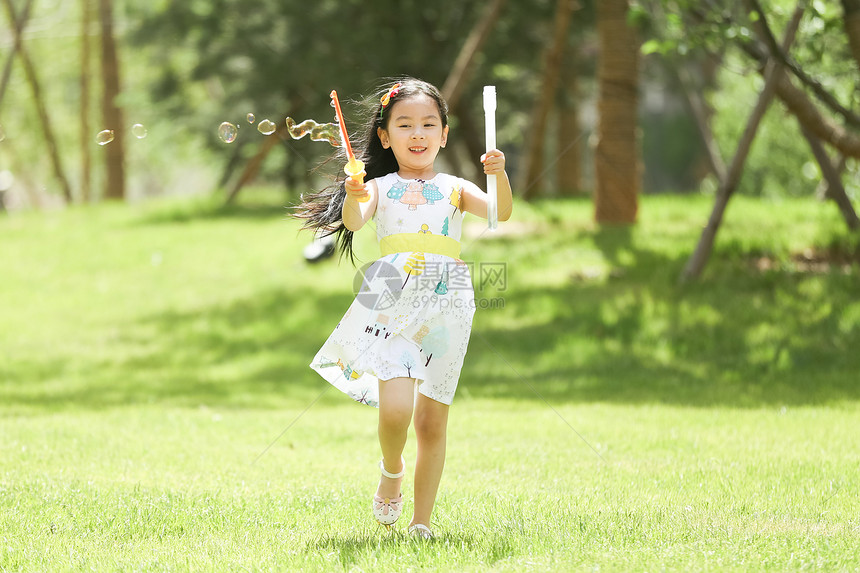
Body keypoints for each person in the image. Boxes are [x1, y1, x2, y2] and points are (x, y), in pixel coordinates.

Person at [294, 77, 513, 539]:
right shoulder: (379, 187)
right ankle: (391, 468)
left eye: (429, 124)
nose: (418, 134)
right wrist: (355, 197)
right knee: (395, 411)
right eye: (406, 125)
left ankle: (421, 523)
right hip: (392, 298)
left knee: (432, 420)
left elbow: (499, 213)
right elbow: (355, 220)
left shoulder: (455, 187)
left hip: (447, 302)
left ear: (444, 135)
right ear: (385, 136)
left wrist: (499, 174)